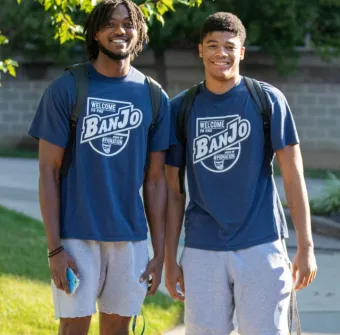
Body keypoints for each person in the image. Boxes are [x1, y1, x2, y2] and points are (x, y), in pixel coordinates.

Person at [165, 12, 317, 335]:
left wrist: (306, 247)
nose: (221, 53)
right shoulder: (181, 109)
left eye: (229, 46)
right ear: (200, 51)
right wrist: (169, 258)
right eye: (213, 45)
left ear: (242, 52)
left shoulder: (268, 101)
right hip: (202, 247)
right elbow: (173, 191)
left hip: (261, 244)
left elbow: (293, 177)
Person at [28, 0, 172, 334]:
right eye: (109, 23)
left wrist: (159, 253)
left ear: (138, 33)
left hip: (130, 240)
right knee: (73, 329)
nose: (120, 30)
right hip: (76, 238)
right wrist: (55, 249)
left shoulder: (153, 96)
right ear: (95, 32)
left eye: (128, 23)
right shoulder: (67, 88)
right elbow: (48, 172)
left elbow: (155, 182)